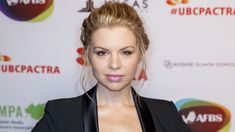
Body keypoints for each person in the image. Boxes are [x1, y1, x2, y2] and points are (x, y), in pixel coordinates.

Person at [32, 2, 191, 132]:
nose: (114, 65)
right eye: (102, 53)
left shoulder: (166, 114)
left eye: (126, 52)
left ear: (140, 54)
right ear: (87, 55)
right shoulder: (60, 116)